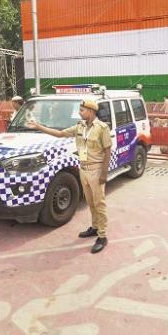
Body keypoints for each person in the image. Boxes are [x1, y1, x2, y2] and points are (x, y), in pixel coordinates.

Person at [27, 100, 111, 254]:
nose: (80, 112)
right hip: (83, 170)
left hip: (96, 170)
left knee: (99, 204)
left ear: (91, 112)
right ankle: (95, 227)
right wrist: (39, 127)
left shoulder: (102, 128)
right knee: (90, 202)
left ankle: (102, 236)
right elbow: (60, 134)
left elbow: (107, 151)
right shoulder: (80, 126)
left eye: (82, 110)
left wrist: (104, 174)